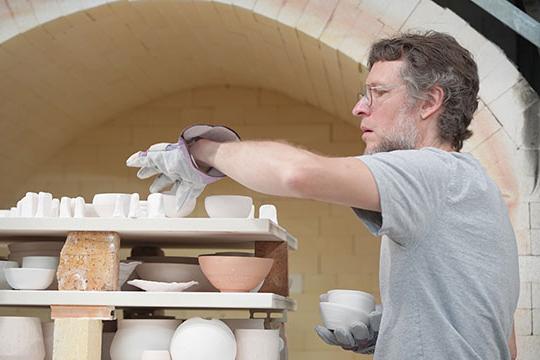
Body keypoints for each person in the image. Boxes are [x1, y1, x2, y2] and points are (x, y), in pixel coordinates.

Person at [127, 31, 519, 359]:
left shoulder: (433, 172)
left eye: (377, 93)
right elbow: (507, 344)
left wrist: (202, 152)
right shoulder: (467, 186)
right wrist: (394, 331)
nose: (358, 108)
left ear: (430, 102)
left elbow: (297, 174)